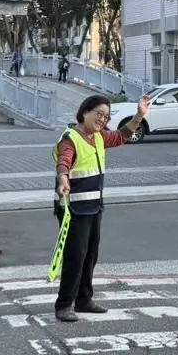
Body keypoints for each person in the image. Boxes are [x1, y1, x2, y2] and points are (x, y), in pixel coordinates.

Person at [52, 93, 150, 322]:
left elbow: (121, 136)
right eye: (99, 114)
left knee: (90, 255)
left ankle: (84, 299)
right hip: (73, 209)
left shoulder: (98, 137)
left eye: (106, 117)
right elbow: (63, 161)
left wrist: (138, 116)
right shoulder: (71, 138)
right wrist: (63, 178)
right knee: (75, 257)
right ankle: (64, 305)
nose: (102, 120)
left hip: (93, 206)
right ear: (85, 111)